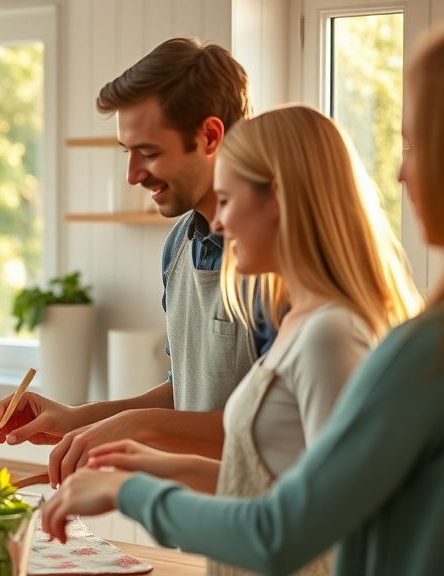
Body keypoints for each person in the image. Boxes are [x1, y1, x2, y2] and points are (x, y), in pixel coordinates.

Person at [41, 27, 444, 576]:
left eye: (147, 151)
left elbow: (295, 516)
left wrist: (136, 471)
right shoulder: (191, 250)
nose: (133, 173)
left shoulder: (327, 325)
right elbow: (269, 463)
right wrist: (97, 428)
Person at [0, 37, 275, 484]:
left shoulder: (278, 257)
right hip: (201, 526)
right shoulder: (181, 243)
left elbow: (275, 430)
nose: (133, 174)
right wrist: (77, 418)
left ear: (210, 136)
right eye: (128, 152)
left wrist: (128, 428)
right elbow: (188, 395)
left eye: (150, 152)